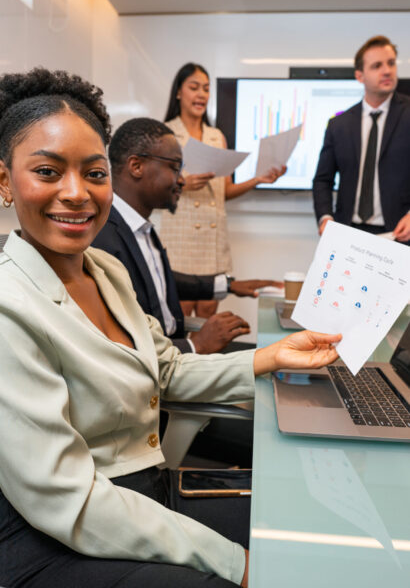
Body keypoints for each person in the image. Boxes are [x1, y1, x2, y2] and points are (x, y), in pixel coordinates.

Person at [0, 67, 341, 588]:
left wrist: (270, 357)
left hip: (142, 493)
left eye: (94, 173)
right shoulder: (9, 305)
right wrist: (232, 562)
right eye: (48, 171)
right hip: (57, 531)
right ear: (5, 181)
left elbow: (166, 366)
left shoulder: (105, 269)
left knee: (299, 529)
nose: (77, 193)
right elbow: (69, 498)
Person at [93, 117, 284, 354]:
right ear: (136, 166)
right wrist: (196, 345)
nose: (182, 179)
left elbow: (157, 281)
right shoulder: (101, 240)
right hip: (160, 369)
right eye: (174, 167)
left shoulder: (138, 226)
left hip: (176, 352)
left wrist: (228, 285)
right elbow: (117, 346)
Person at [161, 63, 287, 318]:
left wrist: (258, 179)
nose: (201, 95)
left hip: (212, 239)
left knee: (209, 315)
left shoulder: (216, 135)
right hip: (180, 237)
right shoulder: (165, 134)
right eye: (194, 87)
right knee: (180, 315)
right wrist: (181, 184)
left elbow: (224, 191)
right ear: (178, 93)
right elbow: (151, 186)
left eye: (206, 89)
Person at [313, 35, 410, 243]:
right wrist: (325, 218)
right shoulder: (339, 125)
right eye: (377, 66)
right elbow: (322, 180)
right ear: (360, 76)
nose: (387, 71)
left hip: (399, 235)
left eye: (391, 63)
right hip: (348, 233)